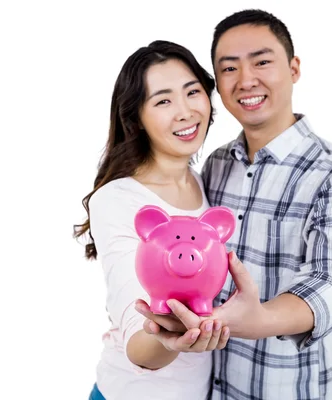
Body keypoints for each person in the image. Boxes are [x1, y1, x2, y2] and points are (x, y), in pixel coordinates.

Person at [135, 9, 332, 400]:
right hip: (210, 386)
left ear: (293, 68)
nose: (246, 80)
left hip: (288, 388)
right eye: (228, 69)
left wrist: (260, 319)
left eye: (262, 61)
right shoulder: (215, 165)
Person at [73, 40, 231, 400]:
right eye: (163, 101)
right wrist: (171, 334)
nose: (186, 111)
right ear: (136, 120)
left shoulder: (204, 180)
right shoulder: (117, 199)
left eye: (193, 92)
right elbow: (137, 340)